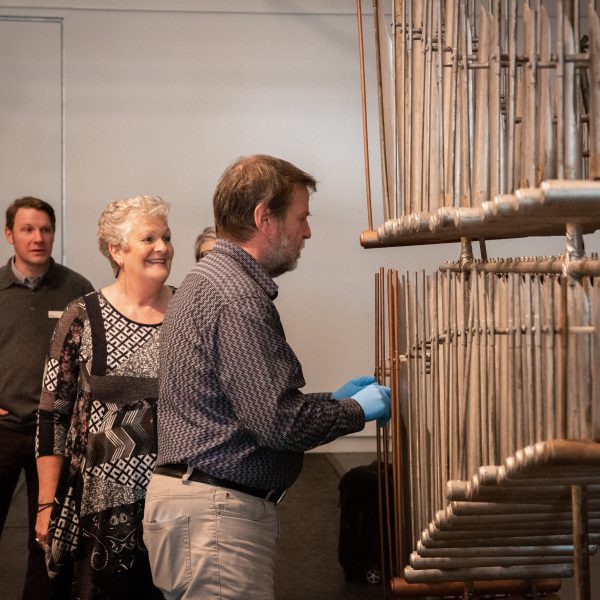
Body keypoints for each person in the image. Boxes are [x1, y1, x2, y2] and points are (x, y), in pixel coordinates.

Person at [143, 154, 391, 600]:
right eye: (301, 218)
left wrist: (327, 401)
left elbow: (245, 402)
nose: (307, 232)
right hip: (215, 517)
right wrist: (355, 411)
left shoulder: (206, 280)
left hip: (199, 510)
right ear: (264, 219)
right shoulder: (237, 297)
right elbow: (279, 424)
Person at [35, 195, 174, 599]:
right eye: (149, 238)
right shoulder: (81, 314)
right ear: (117, 250)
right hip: (99, 508)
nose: (163, 246)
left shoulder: (189, 310)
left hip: (179, 499)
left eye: (166, 236)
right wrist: (46, 503)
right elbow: (52, 412)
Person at [0, 196, 93, 600]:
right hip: (2, 431)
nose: (38, 238)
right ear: (9, 235)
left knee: (48, 538)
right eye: (27, 229)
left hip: (53, 436)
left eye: (45, 230)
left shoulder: (77, 290)